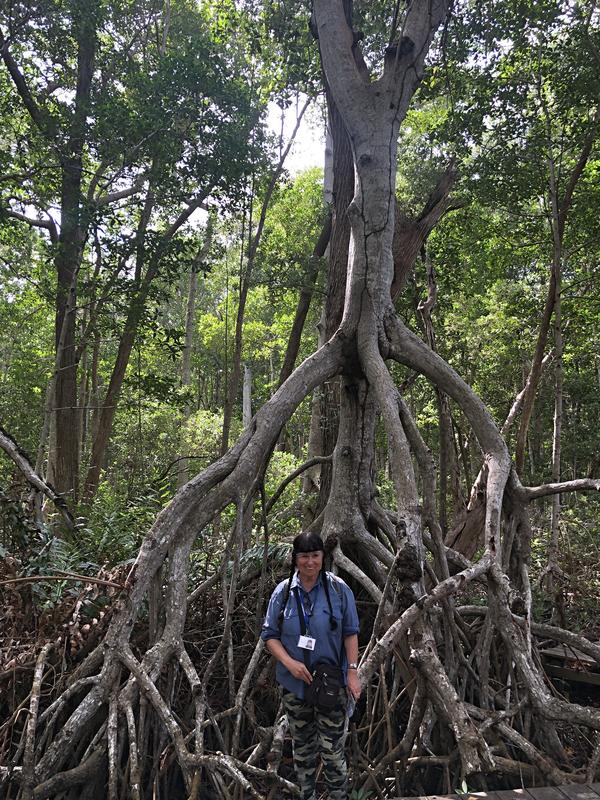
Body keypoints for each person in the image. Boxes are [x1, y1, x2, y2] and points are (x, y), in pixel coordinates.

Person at [261, 532, 361, 800]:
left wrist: (352, 672)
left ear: (323, 557)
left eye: (315, 555)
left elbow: (350, 632)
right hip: (295, 685)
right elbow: (269, 635)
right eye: (304, 556)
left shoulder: (338, 589)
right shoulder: (283, 593)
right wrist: (289, 663)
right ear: (295, 559)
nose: (310, 562)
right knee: (303, 751)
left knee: (332, 751)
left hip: (331, 684)